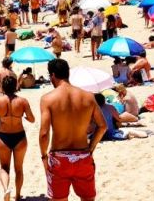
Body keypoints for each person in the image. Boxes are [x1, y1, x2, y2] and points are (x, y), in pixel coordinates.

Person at [39, 59, 106, 201]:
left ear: (52, 75)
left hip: (59, 158)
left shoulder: (48, 99)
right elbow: (102, 126)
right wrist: (91, 148)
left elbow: (44, 134)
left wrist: (44, 156)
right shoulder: (88, 96)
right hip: (83, 155)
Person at [0, 75, 34, 201]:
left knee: (4, 167)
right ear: (15, 86)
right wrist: (21, 117)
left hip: (3, 137)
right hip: (19, 136)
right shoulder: (23, 101)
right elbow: (32, 119)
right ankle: (18, 195)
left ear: (2, 86)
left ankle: (6, 189)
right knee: (19, 169)